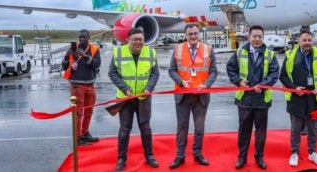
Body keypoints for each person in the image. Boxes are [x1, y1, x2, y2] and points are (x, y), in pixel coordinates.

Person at [226, 25, 280, 170]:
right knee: (244, 132)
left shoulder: (270, 54)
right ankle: (242, 158)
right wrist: (239, 81)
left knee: (261, 133)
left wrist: (262, 85)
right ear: (249, 37)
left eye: (259, 37)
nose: (257, 39)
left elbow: (274, 73)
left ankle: (259, 157)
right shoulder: (239, 52)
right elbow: (231, 69)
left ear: (263, 38)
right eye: (254, 36)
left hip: (262, 99)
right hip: (244, 99)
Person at [108, 28, 160, 171]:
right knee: (125, 129)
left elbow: (155, 74)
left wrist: (149, 87)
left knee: (145, 128)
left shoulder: (150, 52)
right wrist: (125, 89)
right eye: (135, 39)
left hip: (143, 97)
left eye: (141, 40)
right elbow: (112, 73)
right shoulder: (118, 52)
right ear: (127, 40)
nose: (138, 42)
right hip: (125, 98)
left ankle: (149, 156)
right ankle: (121, 158)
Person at [279, 30, 317, 167]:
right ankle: (294, 153)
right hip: (296, 97)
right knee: (295, 128)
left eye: (309, 40)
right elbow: (283, 76)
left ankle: (312, 152)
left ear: (312, 41)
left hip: (314, 97)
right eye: (304, 40)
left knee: (313, 128)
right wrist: (294, 88)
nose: (307, 43)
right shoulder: (290, 55)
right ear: (299, 41)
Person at [168, 24, 217, 169]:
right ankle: (180, 156)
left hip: (201, 96)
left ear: (199, 34)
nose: (193, 36)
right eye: (190, 34)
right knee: (182, 128)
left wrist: (207, 84)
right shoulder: (178, 49)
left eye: (195, 33)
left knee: (199, 128)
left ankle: (197, 153)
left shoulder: (208, 49)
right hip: (182, 95)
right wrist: (181, 81)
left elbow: (213, 71)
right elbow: (171, 70)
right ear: (186, 35)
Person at [62, 29, 101, 146]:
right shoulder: (72, 50)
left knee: (89, 112)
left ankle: (85, 133)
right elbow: (64, 66)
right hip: (77, 85)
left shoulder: (94, 49)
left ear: (89, 37)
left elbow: (97, 63)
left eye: (84, 37)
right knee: (78, 113)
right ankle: (78, 137)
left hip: (90, 85)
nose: (81, 39)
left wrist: (84, 56)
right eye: (80, 37)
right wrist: (66, 55)